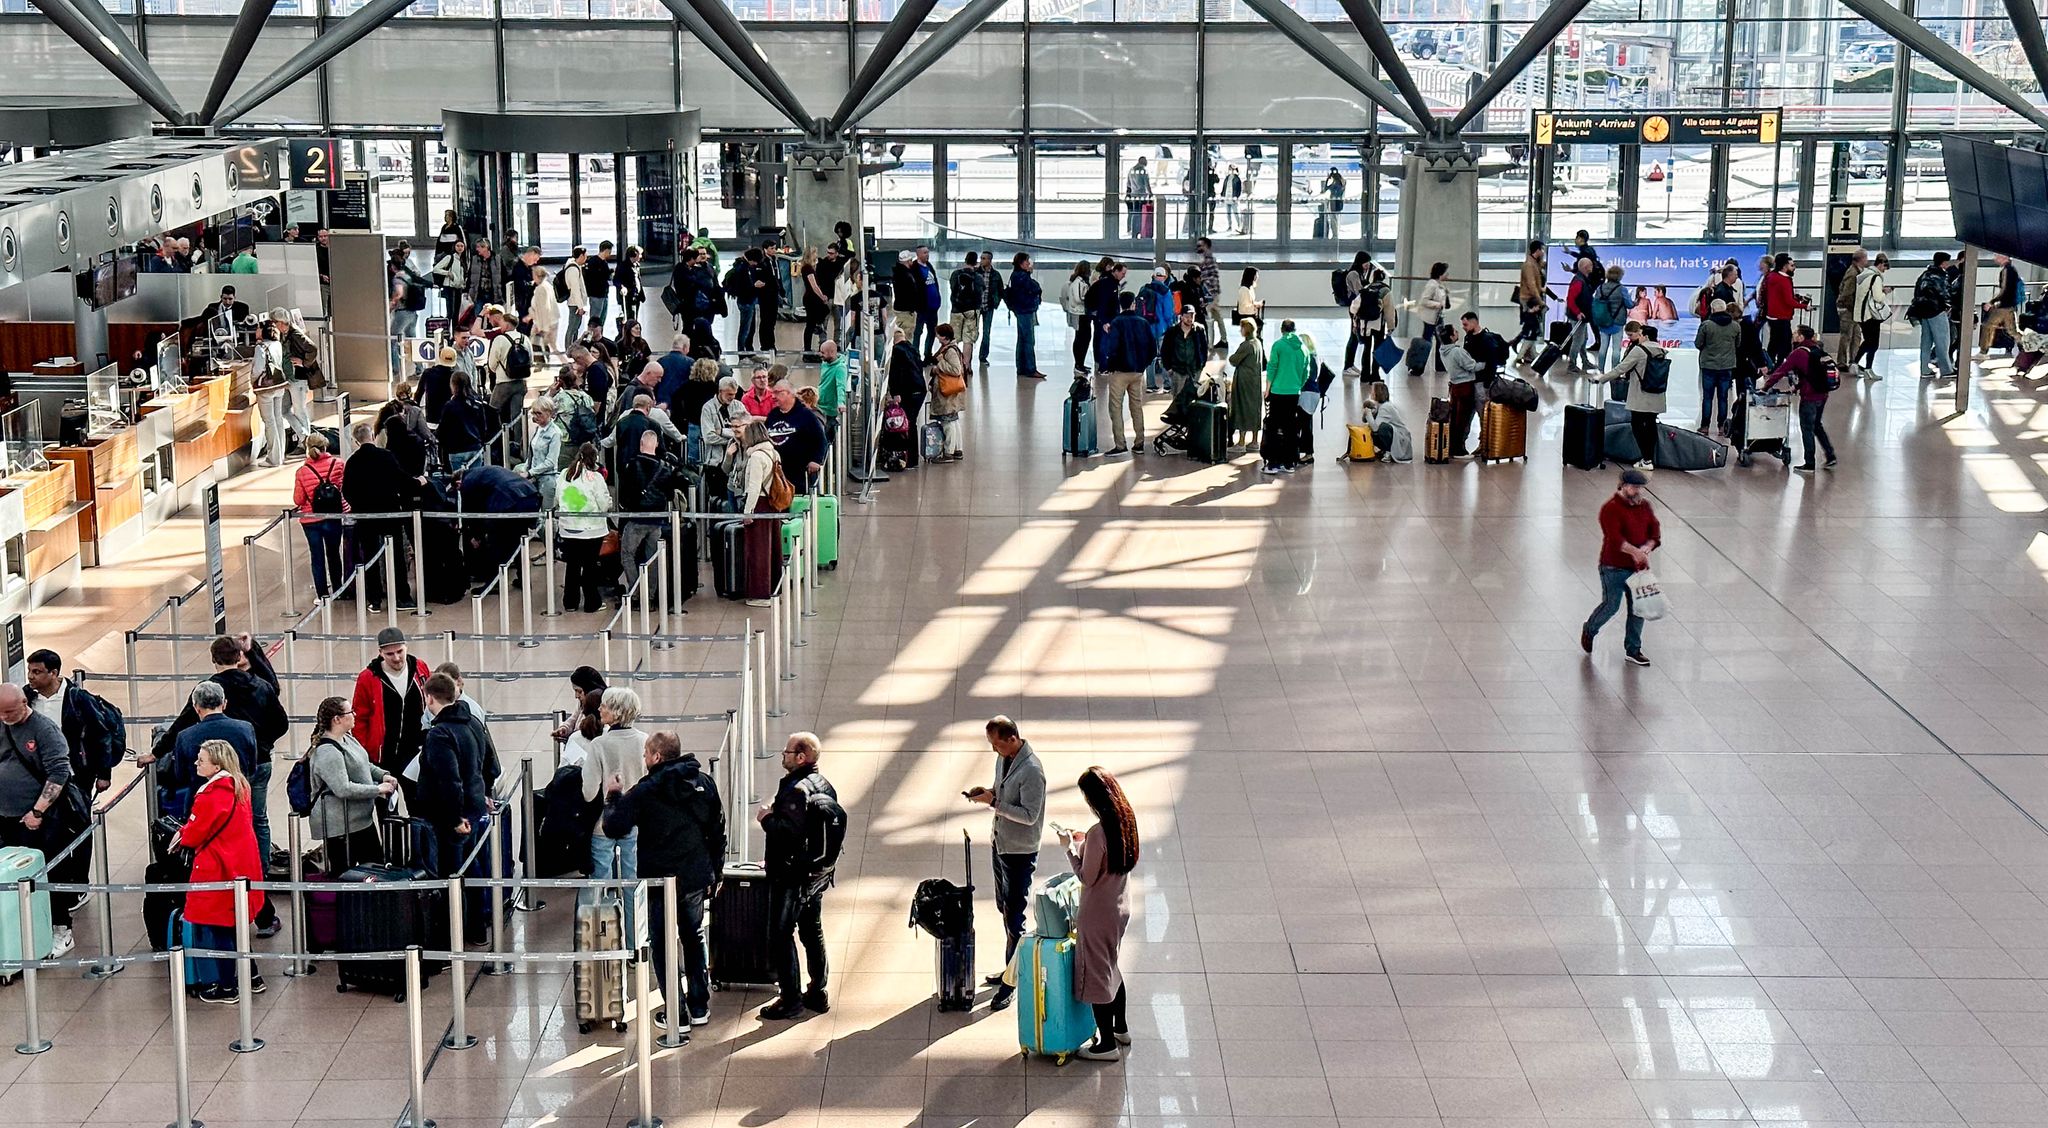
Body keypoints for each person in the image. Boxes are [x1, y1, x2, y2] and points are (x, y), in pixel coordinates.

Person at [602, 729, 724, 1028]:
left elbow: (614, 827)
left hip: (660, 879)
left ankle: (675, 1012)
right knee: (693, 935)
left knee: (662, 943)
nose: (644, 759)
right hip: (695, 875)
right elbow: (717, 830)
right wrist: (716, 872)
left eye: (646, 754)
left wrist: (613, 795)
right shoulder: (703, 783)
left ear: (656, 756)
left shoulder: (645, 790)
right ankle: (699, 1006)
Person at [757, 731, 844, 1021]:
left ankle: (790, 998)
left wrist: (767, 818)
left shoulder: (796, 790)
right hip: (816, 874)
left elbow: (789, 833)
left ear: (801, 756)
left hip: (792, 877)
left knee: (781, 936)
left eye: (787, 751)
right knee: (812, 931)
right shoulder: (824, 784)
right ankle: (818, 991)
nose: (783, 755)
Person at [963, 716, 1044, 1012]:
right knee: (1005, 907)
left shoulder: (1032, 771)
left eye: (996, 744)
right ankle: (1011, 967)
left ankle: (1012, 983)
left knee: (1015, 917)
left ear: (1012, 739)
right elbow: (1002, 791)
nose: (994, 750)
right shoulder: (1004, 760)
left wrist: (994, 804)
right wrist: (988, 794)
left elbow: (1030, 815)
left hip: (1019, 852)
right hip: (1001, 844)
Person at [179, 739, 267, 1003]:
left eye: (201, 760)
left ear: (216, 765)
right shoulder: (240, 786)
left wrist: (181, 835)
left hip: (218, 868)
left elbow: (194, 835)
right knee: (236, 924)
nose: (196, 763)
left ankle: (226, 987)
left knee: (217, 928)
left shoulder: (211, 795)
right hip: (243, 864)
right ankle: (252, 977)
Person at [1063, 766, 1138, 1062]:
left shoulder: (1098, 832)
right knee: (1111, 967)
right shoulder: (1126, 822)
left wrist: (1070, 849)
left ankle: (1105, 1044)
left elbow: (1087, 876)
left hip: (1097, 913)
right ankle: (1121, 1028)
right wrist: (1087, 843)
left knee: (1096, 975)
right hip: (1119, 908)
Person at [0, 683, 78, 954]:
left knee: (48, 872)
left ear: (24, 702)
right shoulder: (2, 724)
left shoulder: (44, 730)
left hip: (39, 819)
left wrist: (38, 811)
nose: (5, 717)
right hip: (5, 817)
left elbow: (58, 772)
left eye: (9, 711)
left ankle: (61, 929)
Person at [305, 696, 397, 871]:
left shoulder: (347, 739)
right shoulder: (328, 752)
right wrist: (377, 789)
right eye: (350, 712)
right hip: (342, 827)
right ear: (337, 719)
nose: (355, 715)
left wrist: (383, 775)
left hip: (360, 820)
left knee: (375, 868)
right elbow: (343, 788)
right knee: (347, 874)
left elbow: (364, 763)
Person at [1579, 468, 1660, 668]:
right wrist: (1636, 552)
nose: (1637, 491)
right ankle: (1590, 629)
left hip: (1638, 570)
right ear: (1623, 486)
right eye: (1634, 487)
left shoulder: (1645, 506)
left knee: (1638, 609)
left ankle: (1633, 650)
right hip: (1613, 567)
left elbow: (1654, 531)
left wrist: (1648, 547)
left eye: (1640, 487)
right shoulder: (1610, 509)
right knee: (1611, 605)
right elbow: (1615, 539)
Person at [416, 674, 487, 878]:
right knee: (471, 866)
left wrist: (455, 819)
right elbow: (483, 760)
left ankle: (457, 910)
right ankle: (478, 909)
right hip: (474, 804)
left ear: (429, 698)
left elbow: (449, 780)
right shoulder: (471, 721)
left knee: (452, 874)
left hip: (451, 816)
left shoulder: (439, 734)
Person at [342, 422, 418, 611]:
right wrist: (417, 483)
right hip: (390, 511)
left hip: (366, 517)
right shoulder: (386, 456)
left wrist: (359, 507)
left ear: (356, 441)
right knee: (397, 557)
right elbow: (401, 480)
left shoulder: (353, 462)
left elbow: (347, 491)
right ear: (373, 437)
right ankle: (402, 597)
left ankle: (374, 600)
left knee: (370, 557)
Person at [580, 686, 648, 896]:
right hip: (636, 822)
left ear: (617, 712)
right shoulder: (645, 741)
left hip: (603, 824)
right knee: (633, 887)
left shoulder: (599, 745)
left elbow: (589, 792)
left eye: (605, 705)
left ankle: (601, 927)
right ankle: (633, 927)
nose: (599, 708)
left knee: (599, 885)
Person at [23, 650, 115, 798]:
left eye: (36, 672)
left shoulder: (78, 699)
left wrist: (104, 774)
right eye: (29, 671)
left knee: (76, 815)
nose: (30, 676)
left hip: (75, 773)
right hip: (38, 773)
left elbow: (101, 734)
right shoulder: (26, 697)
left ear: (53, 673)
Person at [351, 626, 430, 793]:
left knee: (418, 803)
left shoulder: (419, 668)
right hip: (383, 755)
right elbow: (359, 718)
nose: (396, 658)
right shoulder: (368, 678)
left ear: (406, 647)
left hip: (415, 752)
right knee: (387, 809)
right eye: (390, 654)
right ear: (380, 653)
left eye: (400, 651)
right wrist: (365, 753)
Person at [1593, 321, 1668, 472]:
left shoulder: (1639, 351)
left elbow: (1620, 369)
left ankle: (1646, 459)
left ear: (1644, 335)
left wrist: (1601, 379)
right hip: (1657, 393)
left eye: (1637, 334)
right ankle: (1650, 458)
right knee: (1651, 425)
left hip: (1641, 395)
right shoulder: (1661, 350)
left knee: (1637, 425)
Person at [1764, 324, 1838, 473]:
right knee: (1817, 425)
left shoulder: (1798, 353)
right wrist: (1796, 387)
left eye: (1796, 333)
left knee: (1807, 428)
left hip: (1810, 396)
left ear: (1801, 337)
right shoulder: (1816, 350)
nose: (1793, 335)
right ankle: (1830, 455)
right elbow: (1810, 374)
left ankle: (1809, 463)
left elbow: (1781, 371)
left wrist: (1766, 386)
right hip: (1823, 394)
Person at [556, 443, 613, 613]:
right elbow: (603, 504)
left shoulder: (564, 475)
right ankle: (591, 602)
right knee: (590, 566)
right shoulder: (595, 478)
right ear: (594, 459)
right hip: (591, 529)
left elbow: (558, 498)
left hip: (568, 527)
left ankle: (570, 602)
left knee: (572, 565)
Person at [1097, 292, 1155, 457]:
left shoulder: (1116, 323)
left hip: (1119, 372)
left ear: (1120, 305)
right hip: (1138, 372)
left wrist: (1109, 365)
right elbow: (1152, 348)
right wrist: (1143, 365)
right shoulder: (1143, 323)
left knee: (1115, 407)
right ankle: (1139, 443)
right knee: (1136, 406)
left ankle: (1120, 444)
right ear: (1133, 305)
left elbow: (1112, 347)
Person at [293, 433, 348, 599]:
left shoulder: (302, 471)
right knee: (333, 553)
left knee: (316, 556)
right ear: (326, 446)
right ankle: (338, 589)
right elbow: (344, 488)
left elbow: (298, 499)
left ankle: (322, 593)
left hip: (311, 519)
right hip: (334, 515)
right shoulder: (338, 464)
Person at [736, 420, 785, 605]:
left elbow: (754, 487)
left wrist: (748, 512)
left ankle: (760, 593)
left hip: (759, 505)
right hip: (773, 504)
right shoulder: (774, 452)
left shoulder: (756, 457)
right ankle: (774, 588)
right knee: (773, 549)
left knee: (758, 550)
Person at [1263, 319, 1310, 475]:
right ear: (1295, 330)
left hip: (1277, 391)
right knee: (1290, 427)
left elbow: (1272, 368)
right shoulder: (1303, 348)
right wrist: (1298, 385)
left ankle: (1273, 463)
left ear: (1282, 330)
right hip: (1293, 392)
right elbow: (1306, 372)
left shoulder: (1278, 346)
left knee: (1273, 427)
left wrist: (1267, 389)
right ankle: (1289, 463)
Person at [765, 378, 828, 488]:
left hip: (801, 474)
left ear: (789, 393)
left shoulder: (806, 415)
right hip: (778, 472)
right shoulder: (773, 415)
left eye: (777, 393)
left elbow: (821, 440)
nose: (773, 397)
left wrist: (816, 460)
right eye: (773, 393)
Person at [1693, 299, 1740, 435]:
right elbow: (1738, 344)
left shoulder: (1706, 325)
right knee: (1723, 397)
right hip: (1727, 365)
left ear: (1712, 310)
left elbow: (1698, 344)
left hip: (1708, 365)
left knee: (1707, 397)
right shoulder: (1735, 326)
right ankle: (1722, 427)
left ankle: (1705, 426)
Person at [1439, 324, 1484, 460]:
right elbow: (1472, 366)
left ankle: (1452, 447)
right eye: (1455, 332)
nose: (1458, 332)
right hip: (1465, 386)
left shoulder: (1443, 350)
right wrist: (1486, 364)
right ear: (1452, 337)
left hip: (1454, 386)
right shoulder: (1457, 352)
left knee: (1455, 417)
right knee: (1463, 419)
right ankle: (1459, 450)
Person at [1911, 252, 1956, 381]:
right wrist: (1948, 306)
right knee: (1943, 341)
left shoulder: (1924, 275)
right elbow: (1944, 293)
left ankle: (1924, 370)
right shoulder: (1940, 275)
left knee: (1926, 342)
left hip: (1923, 312)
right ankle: (1946, 370)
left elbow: (1917, 291)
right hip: (1936, 311)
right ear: (1943, 263)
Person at [1761, 253, 1811, 364]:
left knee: (1774, 342)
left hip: (1771, 315)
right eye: (1791, 265)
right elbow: (1788, 301)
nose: (1794, 268)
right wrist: (1804, 306)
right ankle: (1780, 365)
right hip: (1782, 316)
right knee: (1784, 343)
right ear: (1784, 266)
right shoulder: (1784, 280)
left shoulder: (1771, 277)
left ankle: (1770, 364)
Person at [438, 372, 493, 474]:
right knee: (475, 480)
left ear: (453, 385)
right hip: (474, 447)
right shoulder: (477, 403)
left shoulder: (449, 406)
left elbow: (443, 430)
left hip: (456, 449)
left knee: (458, 482)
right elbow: (483, 426)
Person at [929, 323, 968, 463]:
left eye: (938, 334)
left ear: (944, 336)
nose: (937, 337)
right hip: (953, 392)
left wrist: (939, 364)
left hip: (948, 392)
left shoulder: (950, 351)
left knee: (947, 423)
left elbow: (956, 370)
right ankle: (958, 449)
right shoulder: (952, 348)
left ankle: (949, 453)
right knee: (954, 420)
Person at [1514, 240, 1557, 363]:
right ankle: (1521, 354)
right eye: (1542, 250)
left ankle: (1529, 353)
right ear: (1537, 250)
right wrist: (1540, 301)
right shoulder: (1529, 265)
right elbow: (1532, 285)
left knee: (1532, 327)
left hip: (1531, 299)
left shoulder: (1534, 263)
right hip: (1529, 300)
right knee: (1533, 327)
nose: (1543, 252)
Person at [1228, 317, 1265, 452]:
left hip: (1244, 381)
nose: (1240, 330)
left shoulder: (1246, 345)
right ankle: (1255, 441)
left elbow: (1233, 359)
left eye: (1242, 328)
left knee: (1242, 408)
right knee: (1255, 409)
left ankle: (1241, 441)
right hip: (1255, 381)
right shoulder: (1258, 343)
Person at [1408, 261, 1451, 376]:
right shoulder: (1432, 285)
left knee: (1439, 341)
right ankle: (1418, 366)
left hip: (1437, 317)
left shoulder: (1439, 285)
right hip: (1431, 319)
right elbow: (1424, 301)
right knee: (1427, 343)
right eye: (1446, 272)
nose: (1448, 275)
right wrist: (1438, 304)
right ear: (1441, 273)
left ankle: (1437, 365)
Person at [1004, 253, 1043, 380]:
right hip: (1025, 310)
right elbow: (1035, 287)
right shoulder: (1022, 276)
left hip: (1019, 310)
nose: (1029, 263)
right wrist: (1029, 274)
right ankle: (1031, 368)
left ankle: (1021, 367)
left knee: (1021, 339)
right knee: (1028, 340)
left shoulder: (1015, 276)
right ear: (1021, 263)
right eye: (1027, 261)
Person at [1852, 253, 1890, 379]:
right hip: (1871, 315)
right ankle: (1868, 368)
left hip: (1860, 313)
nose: (1884, 270)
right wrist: (1885, 293)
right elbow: (1878, 297)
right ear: (1880, 264)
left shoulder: (1864, 274)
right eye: (1884, 267)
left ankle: (1855, 363)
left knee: (1867, 341)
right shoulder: (1876, 278)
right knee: (1873, 344)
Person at [699, 376, 744, 482]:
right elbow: (709, 437)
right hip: (716, 461)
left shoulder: (739, 406)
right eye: (729, 394)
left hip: (736, 462)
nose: (732, 397)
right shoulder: (708, 408)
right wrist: (731, 441)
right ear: (720, 391)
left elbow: (746, 431)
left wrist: (722, 432)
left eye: (734, 394)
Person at [946, 251, 985, 373]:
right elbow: (980, 292)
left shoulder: (955, 274)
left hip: (956, 310)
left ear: (965, 260)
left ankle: (955, 364)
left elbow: (952, 288)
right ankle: (966, 365)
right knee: (968, 339)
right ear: (976, 262)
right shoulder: (977, 277)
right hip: (971, 311)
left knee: (954, 339)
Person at [1979, 253, 2024, 357]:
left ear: (2005, 258)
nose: (1995, 258)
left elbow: (2004, 289)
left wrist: (1992, 302)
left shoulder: (2006, 270)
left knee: (1987, 326)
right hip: (2009, 304)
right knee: (2012, 330)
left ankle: (1983, 352)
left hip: (2004, 305)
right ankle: (2028, 345)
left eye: (1997, 256)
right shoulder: (2011, 269)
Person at [1138, 268, 1176, 391]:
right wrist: (1171, 326)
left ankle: (1150, 385)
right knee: (1165, 355)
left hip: (1147, 327)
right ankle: (1167, 384)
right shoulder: (1166, 291)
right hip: (1162, 327)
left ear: (1153, 276)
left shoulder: (1144, 288)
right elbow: (1168, 313)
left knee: (1150, 356)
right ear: (1165, 277)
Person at [1159, 304, 1208, 397]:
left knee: (1193, 397)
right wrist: (1169, 368)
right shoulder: (1172, 332)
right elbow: (1165, 351)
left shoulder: (1199, 330)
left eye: (1192, 316)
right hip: (1177, 371)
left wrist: (1201, 365)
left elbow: (1204, 348)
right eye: (1187, 316)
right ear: (1181, 317)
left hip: (1194, 370)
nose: (1190, 319)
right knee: (1177, 399)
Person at [1589, 263, 1630, 371]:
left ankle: (1600, 370)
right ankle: (1614, 371)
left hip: (1603, 321)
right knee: (1616, 349)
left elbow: (1595, 303)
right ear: (1620, 276)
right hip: (1617, 322)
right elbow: (1629, 304)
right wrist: (1635, 302)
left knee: (1603, 347)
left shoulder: (1600, 288)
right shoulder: (1622, 289)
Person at [1361, 380, 1412, 463]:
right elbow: (1365, 421)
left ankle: (1388, 451)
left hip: (1401, 439)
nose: (1371, 393)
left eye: (1372, 391)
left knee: (1382, 428)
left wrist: (1369, 414)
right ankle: (1385, 449)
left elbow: (1375, 428)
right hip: (1397, 436)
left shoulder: (1386, 407)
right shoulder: (1380, 405)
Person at [1834, 250, 1867, 365]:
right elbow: (1847, 292)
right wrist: (1848, 306)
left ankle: (1854, 359)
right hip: (1849, 309)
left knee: (1856, 336)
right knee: (1846, 336)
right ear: (1861, 259)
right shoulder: (1853, 274)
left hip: (1854, 309)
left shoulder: (1856, 271)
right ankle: (1842, 362)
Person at [1062, 261, 1094, 375]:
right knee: (1082, 338)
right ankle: (1078, 364)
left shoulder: (1080, 281)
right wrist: (1089, 298)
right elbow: (1078, 298)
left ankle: (1081, 363)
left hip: (1083, 313)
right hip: (1080, 313)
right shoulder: (1078, 282)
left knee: (1084, 338)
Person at [977, 250, 1005, 371]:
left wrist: (996, 302)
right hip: (976, 306)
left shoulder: (995, 275)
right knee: (972, 331)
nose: (981, 260)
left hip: (988, 307)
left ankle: (983, 356)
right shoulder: (975, 273)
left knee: (986, 332)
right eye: (981, 258)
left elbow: (1000, 290)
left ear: (989, 260)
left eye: (984, 258)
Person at [584, 241, 615, 337]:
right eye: (609, 252)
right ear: (606, 250)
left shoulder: (603, 262)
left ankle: (599, 337)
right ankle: (591, 339)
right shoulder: (593, 262)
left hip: (604, 294)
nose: (610, 254)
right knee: (595, 319)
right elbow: (595, 278)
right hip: (596, 294)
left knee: (602, 318)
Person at [531, 267, 561, 359]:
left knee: (544, 344)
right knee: (551, 345)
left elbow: (544, 308)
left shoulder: (541, 289)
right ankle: (563, 362)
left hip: (546, 322)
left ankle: (541, 362)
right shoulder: (547, 285)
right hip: (552, 320)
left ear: (536, 276)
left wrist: (542, 326)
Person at [1234, 267, 1263, 334]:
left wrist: (1256, 304)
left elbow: (1250, 302)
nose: (1257, 277)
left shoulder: (1250, 288)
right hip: (1246, 315)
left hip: (1251, 314)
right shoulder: (1244, 290)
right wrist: (1256, 305)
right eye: (1256, 275)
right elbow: (1244, 307)